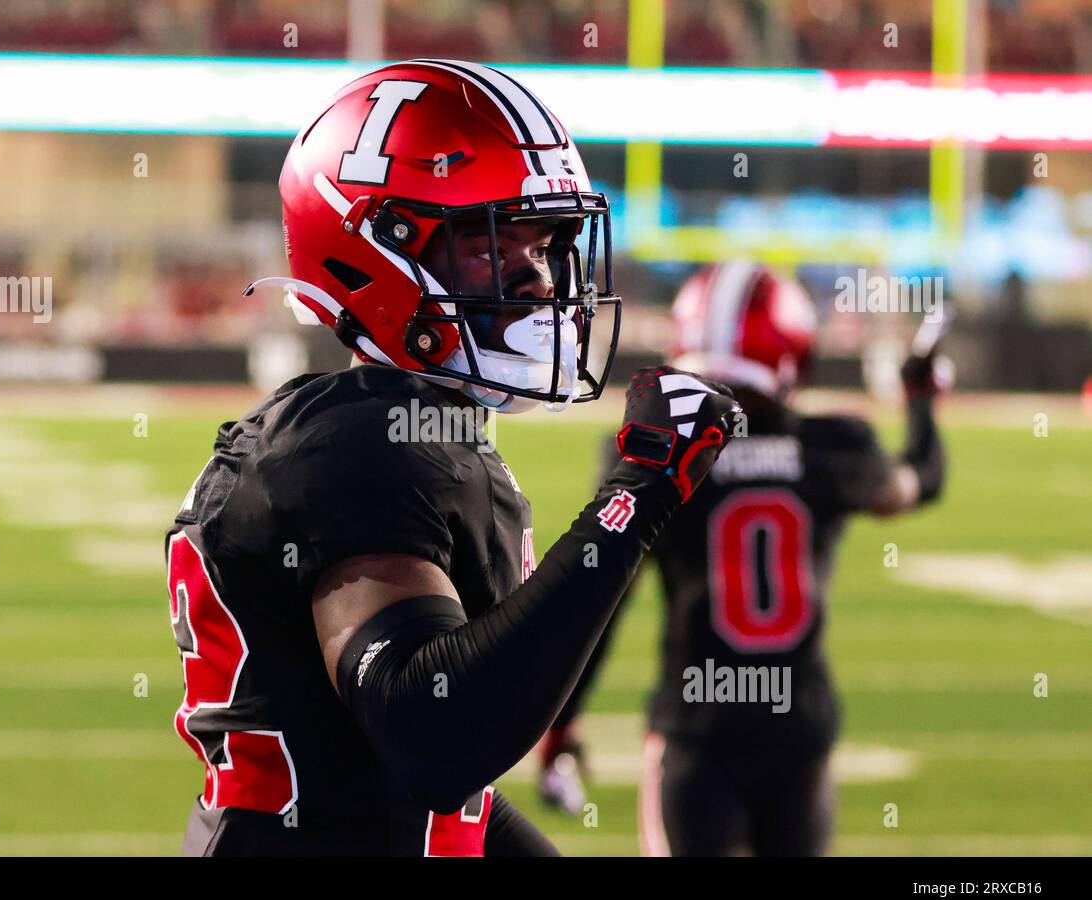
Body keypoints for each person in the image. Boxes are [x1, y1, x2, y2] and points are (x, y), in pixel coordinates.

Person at [163, 60, 741, 856]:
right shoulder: (357, 439)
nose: (538, 282)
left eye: (544, 245)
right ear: (379, 249)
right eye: (492, 246)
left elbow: (440, 807)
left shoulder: (415, 430)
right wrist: (638, 494)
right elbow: (431, 734)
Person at [537, 260, 947, 856]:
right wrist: (920, 400)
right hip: (797, 731)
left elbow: (603, 601)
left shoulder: (660, 455)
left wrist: (562, 720)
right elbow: (922, 480)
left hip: (697, 732)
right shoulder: (833, 450)